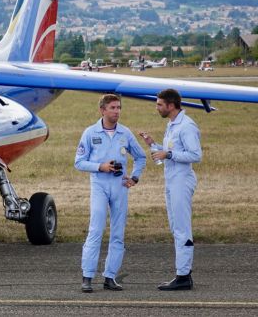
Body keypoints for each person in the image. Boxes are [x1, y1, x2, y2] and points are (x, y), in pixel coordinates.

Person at [75, 94, 146, 293]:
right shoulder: (90, 132)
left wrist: (134, 177)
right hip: (99, 185)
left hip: (120, 187)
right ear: (103, 110)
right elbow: (79, 162)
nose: (117, 111)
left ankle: (110, 277)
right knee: (96, 230)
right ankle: (87, 276)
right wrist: (101, 166)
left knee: (118, 233)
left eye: (119, 108)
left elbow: (140, 157)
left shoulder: (125, 133)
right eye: (113, 108)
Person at [139, 88, 201, 291]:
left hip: (182, 181)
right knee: (176, 227)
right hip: (171, 180)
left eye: (159, 104)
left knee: (182, 228)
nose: (157, 108)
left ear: (171, 105)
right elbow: (170, 152)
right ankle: (182, 273)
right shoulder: (172, 124)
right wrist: (153, 145)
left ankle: (183, 276)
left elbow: (195, 154)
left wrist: (169, 154)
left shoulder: (186, 126)